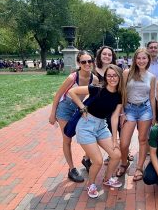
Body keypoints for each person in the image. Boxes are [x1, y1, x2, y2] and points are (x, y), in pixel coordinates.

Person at [68, 64, 124, 198]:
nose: (112, 78)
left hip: (101, 126)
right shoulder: (97, 89)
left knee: (116, 155)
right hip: (86, 126)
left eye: (115, 75)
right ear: (105, 77)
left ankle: (107, 179)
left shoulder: (120, 95)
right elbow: (72, 92)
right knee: (98, 161)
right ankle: (91, 184)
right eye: (109, 75)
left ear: (119, 77)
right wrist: (82, 107)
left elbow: (115, 117)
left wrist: (115, 139)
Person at [49, 50, 99, 183]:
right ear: (79, 63)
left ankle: (86, 159)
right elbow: (58, 95)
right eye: (84, 61)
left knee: (88, 134)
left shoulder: (94, 79)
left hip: (79, 107)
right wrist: (52, 114)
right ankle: (71, 169)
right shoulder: (72, 77)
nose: (87, 64)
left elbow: (94, 97)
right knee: (67, 139)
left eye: (89, 61)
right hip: (65, 108)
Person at [116, 48, 156, 181]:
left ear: (148, 59)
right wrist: (122, 113)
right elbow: (122, 93)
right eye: (138, 58)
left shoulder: (151, 77)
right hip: (129, 110)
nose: (141, 61)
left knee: (143, 140)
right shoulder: (127, 73)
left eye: (144, 58)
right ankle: (124, 162)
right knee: (124, 143)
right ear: (135, 59)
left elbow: (151, 97)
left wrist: (154, 115)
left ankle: (139, 168)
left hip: (145, 110)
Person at [93, 46, 134, 166]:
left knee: (121, 129)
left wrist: (123, 111)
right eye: (104, 54)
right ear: (100, 56)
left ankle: (125, 151)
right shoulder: (95, 72)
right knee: (108, 131)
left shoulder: (118, 70)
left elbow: (122, 90)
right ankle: (112, 152)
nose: (107, 56)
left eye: (109, 55)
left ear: (113, 57)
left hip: (116, 105)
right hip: (102, 108)